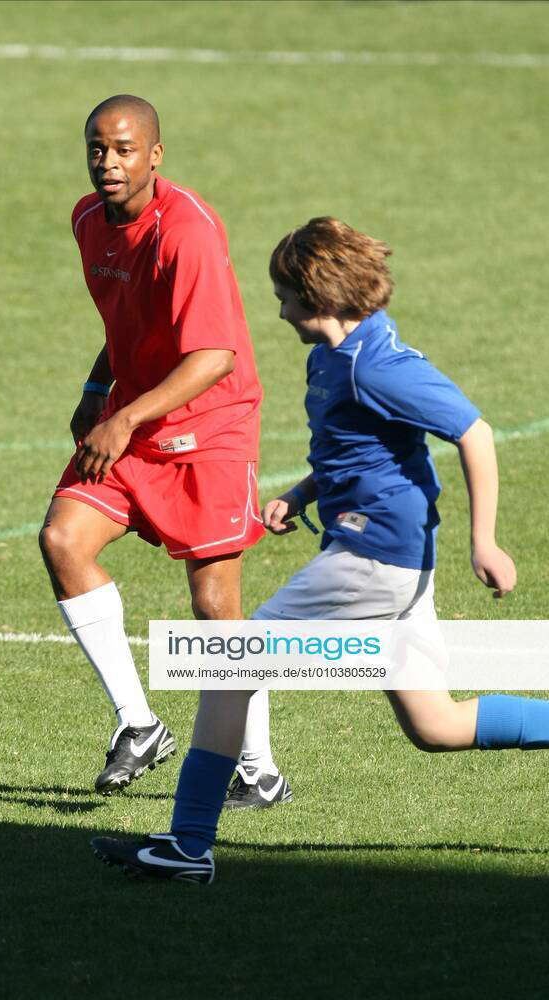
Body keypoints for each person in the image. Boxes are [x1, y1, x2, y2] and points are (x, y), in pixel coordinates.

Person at [89, 216, 549, 886]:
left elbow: (473, 433)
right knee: (435, 723)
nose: (276, 310)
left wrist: (485, 541)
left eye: (284, 296)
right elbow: (360, 451)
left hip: (374, 561)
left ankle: (187, 846)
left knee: (229, 663)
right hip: (386, 560)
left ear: (321, 297)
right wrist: (302, 495)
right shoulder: (333, 357)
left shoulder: (379, 366)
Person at [39, 94, 269, 795]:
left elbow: (214, 356)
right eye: (97, 148)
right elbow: (125, 321)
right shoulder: (87, 220)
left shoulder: (187, 232)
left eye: (124, 149)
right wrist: (93, 387)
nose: (108, 163)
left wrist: (122, 419)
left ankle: (258, 769)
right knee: (63, 540)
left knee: (212, 605)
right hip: (133, 417)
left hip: (210, 426)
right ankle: (138, 724)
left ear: (155, 155)